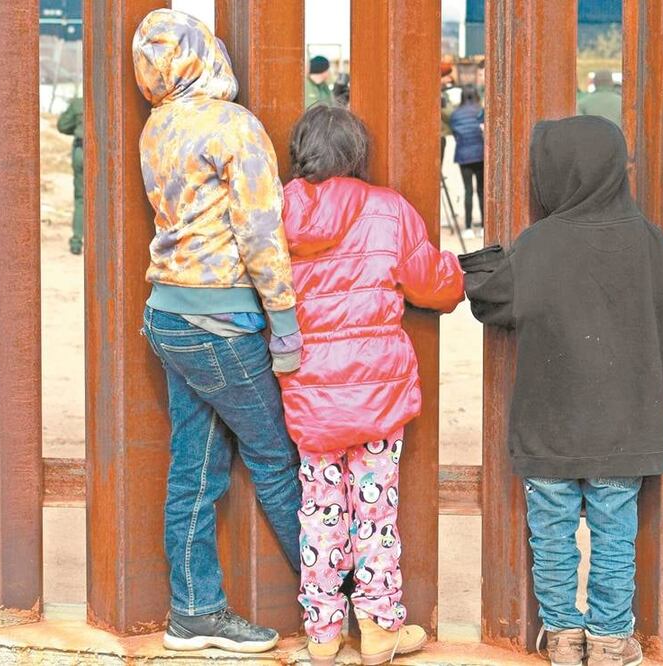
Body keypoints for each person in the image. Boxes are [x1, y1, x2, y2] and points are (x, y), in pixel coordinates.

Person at [460, 116, 663, 666]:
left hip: (548, 428)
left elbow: (492, 301)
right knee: (616, 536)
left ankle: (563, 635)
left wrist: (485, 261)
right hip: (624, 428)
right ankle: (612, 638)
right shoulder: (649, 243)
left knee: (552, 534)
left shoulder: (540, 244)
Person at [132, 10, 303, 654]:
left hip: (169, 316)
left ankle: (195, 611)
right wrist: (284, 327)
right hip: (222, 320)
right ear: (207, 53)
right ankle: (342, 600)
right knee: (276, 459)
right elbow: (261, 231)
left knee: (196, 469)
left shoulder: (158, 125)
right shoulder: (234, 126)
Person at [279, 104, 465, 665]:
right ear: (358, 154)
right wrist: (457, 274)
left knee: (318, 510)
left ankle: (322, 633)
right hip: (377, 393)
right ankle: (381, 629)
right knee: (375, 510)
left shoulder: (277, 211)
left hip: (310, 392)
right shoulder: (388, 210)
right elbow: (432, 285)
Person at [450, 86, 485, 239]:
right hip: (480, 155)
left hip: (464, 156)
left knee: (468, 191)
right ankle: (484, 226)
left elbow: (455, 133)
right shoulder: (481, 111)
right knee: (482, 191)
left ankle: (468, 227)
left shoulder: (455, 114)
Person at [56, 96, 84, 255]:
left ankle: (76, 242)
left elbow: (62, 125)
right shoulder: (108, 100)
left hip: (81, 151)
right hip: (101, 153)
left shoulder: (78, 103)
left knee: (81, 198)